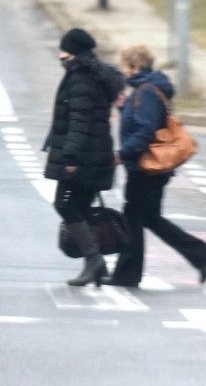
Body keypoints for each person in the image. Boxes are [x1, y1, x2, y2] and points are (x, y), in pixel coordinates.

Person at [102, 44, 206, 287]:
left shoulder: (147, 91)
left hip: (146, 167)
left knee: (132, 217)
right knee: (150, 217)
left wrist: (123, 153)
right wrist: (124, 107)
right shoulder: (147, 89)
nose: (124, 73)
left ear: (135, 66)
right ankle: (200, 253)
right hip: (150, 167)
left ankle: (127, 275)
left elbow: (146, 129)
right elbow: (144, 119)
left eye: (125, 67)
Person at [43, 28, 124, 287]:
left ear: (74, 52)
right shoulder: (94, 74)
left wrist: (70, 156)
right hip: (96, 156)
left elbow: (80, 120)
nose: (60, 54)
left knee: (65, 204)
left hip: (84, 157)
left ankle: (94, 260)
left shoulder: (81, 79)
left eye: (64, 50)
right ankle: (95, 265)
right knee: (80, 207)